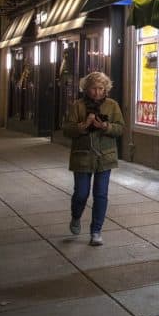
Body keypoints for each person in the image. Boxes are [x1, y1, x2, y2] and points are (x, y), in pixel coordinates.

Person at [63, 71, 125, 246]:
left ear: (106, 89)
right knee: (81, 193)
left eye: (101, 88)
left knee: (101, 195)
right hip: (82, 156)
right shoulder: (77, 106)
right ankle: (76, 217)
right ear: (86, 89)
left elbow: (120, 129)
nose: (97, 92)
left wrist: (106, 126)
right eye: (93, 89)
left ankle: (96, 231)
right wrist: (83, 126)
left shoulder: (112, 106)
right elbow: (67, 129)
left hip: (105, 157)